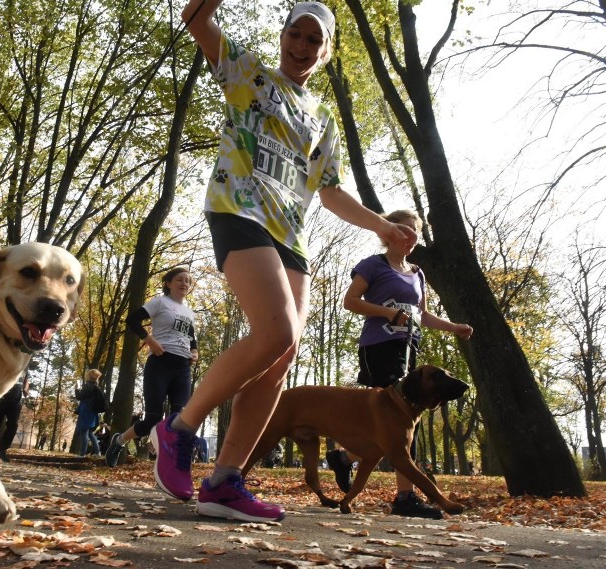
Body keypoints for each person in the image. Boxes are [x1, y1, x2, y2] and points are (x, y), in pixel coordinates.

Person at [148, 1, 419, 523]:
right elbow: (197, 21)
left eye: (314, 40)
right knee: (277, 332)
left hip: (290, 235)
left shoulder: (322, 117)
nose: (302, 47)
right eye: (296, 34)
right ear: (283, 35)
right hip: (239, 210)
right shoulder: (248, 72)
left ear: (326, 49)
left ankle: (225, 480)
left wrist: (381, 226)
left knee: (281, 357)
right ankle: (178, 430)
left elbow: (331, 192)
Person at [329, 208, 473, 519]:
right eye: (403, 229)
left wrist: (454, 327)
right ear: (386, 232)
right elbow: (350, 301)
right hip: (378, 347)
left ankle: (345, 458)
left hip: (409, 348)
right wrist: (387, 313)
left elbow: (422, 316)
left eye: (415, 232)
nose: (410, 236)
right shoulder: (373, 265)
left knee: (402, 422)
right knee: (400, 421)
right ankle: (405, 497)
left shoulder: (418, 273)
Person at [105, 267, 199, 467]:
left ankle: (171, 463)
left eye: (188, 281)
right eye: (180, 280)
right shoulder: (160, 302)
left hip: (182, 367)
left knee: (179, 417)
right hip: (160, 363)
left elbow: (191, 336)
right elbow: (132, 320)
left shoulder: (189, 312)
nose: (184, 284)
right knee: (152, 419)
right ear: (168, 283)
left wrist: (195, 352)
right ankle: (119, 441)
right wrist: (150, 340)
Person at [0, 372, 28, 462]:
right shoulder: (7, 357)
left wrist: (25, 389)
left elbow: (26, 380)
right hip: (1, 395)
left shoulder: (25, 363)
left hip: (17, 398)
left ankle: (2, 451)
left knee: (13, 425)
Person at [72, 369, 107, 456]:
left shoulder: (87, 386)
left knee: (84, 431)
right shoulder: (96, 387)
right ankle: (97, 452)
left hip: (86, 410)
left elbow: (80, 397)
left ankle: (82, 454)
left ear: (89, 376)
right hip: (93, 411)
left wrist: (76, 389)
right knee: (90, 433)